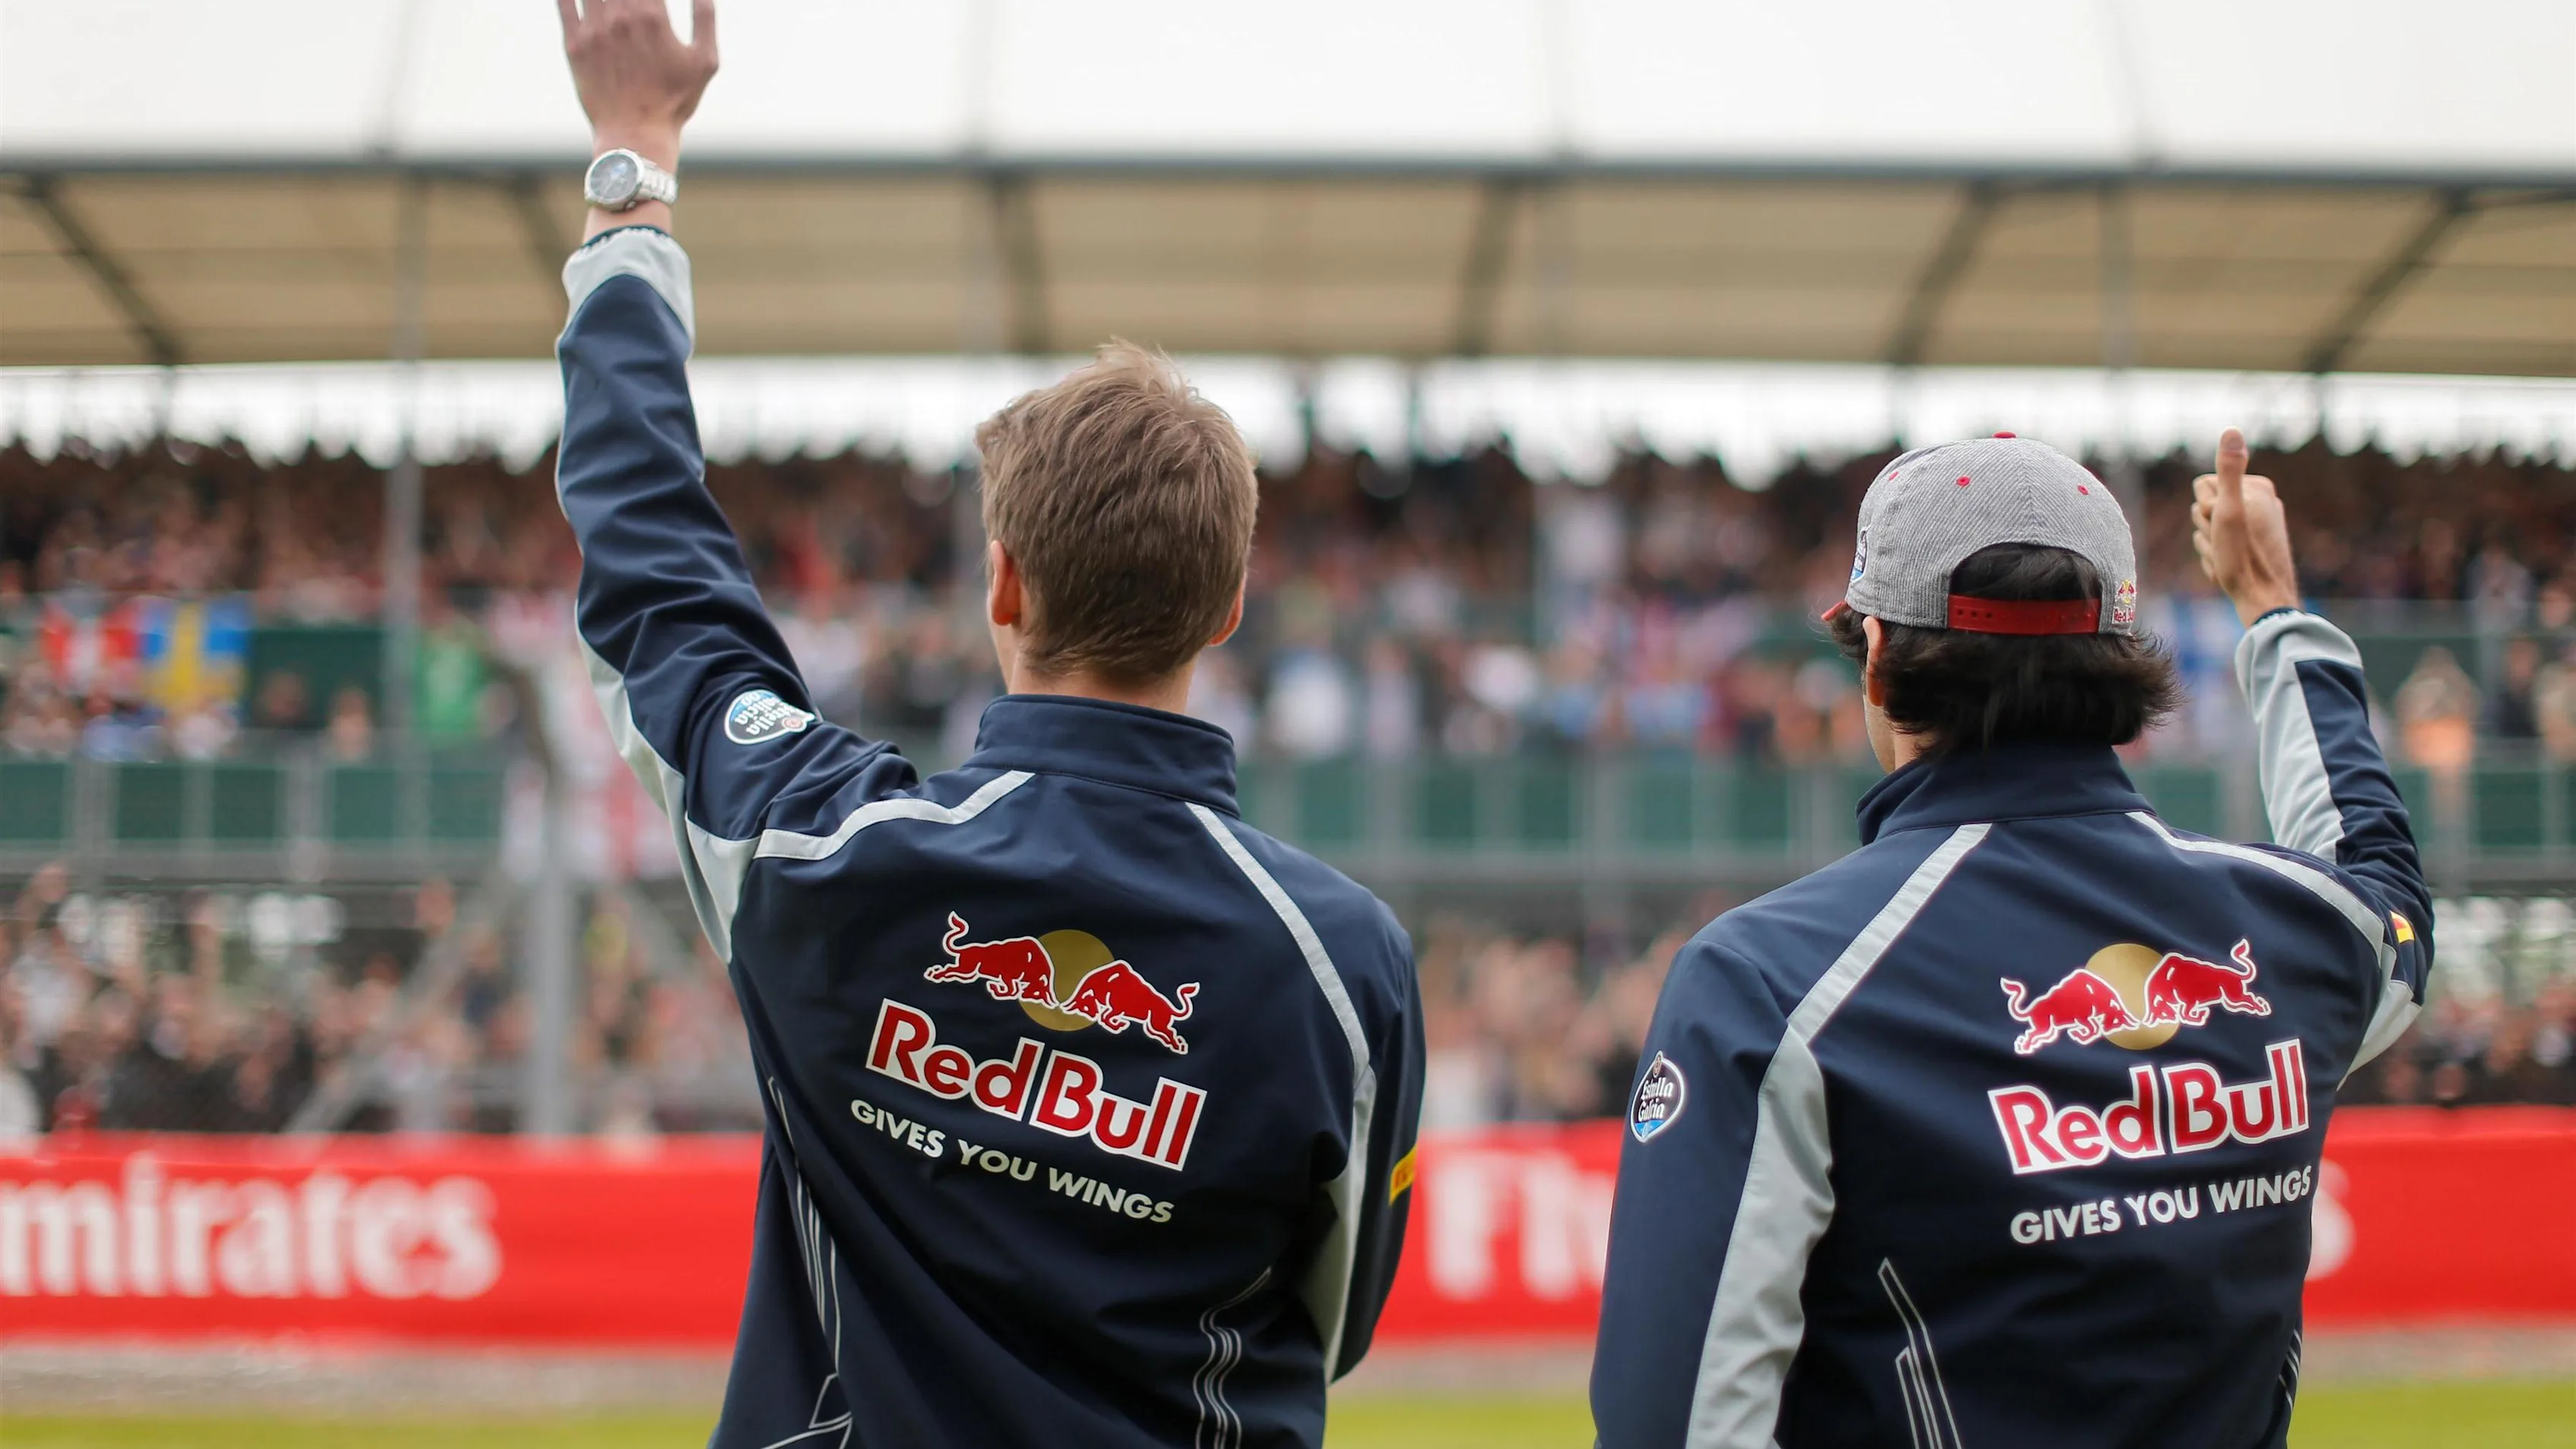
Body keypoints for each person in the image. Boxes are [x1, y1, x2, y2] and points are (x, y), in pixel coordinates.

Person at [548, 5, 1422, 1447]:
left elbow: (652, 577)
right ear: (1228, 608)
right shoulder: (1344, 961)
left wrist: (630, 164)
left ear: (1001, 584)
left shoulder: (826, 855)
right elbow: (1341, 1320)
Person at [1590, 431, 2432, 1447]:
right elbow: (2382, 887)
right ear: (2119, 655)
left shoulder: (1767, 983)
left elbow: (1670, 1428)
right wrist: (2273, 609)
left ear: (1881, 657)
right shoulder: (2300, 932)